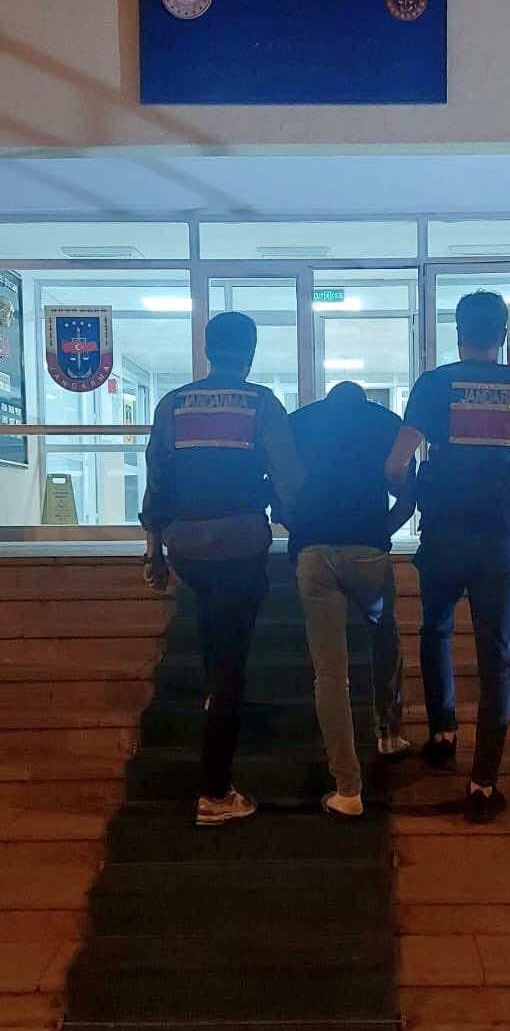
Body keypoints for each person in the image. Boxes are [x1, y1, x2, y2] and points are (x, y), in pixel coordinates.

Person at [385, 290, 510, 825]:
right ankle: (483, 783)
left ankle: (442, 735)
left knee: (435, 630)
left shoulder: (434, 384)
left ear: (459, 333)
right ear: (503, 334)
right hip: (503, 540)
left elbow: (395, 465)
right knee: (496, 658)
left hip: (444, 535)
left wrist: (414, 497)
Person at [141, 311, 303, 828]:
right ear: (250, 353)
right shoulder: (261, 403)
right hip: (240, 543)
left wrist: (154, 551)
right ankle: (214, 791)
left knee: (213, 639)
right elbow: (288, 477)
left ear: (208, 351)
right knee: (233, 657)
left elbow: (156, 478)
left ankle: (215, 697)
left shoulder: (173, 403)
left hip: (186, 547)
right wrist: (297, 525)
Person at [282, 381, 416, 820]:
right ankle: (389, 733)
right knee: (384, 633)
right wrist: (380, 531)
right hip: (368, 553)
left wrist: (300, 527)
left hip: (314, 554)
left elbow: (278, 491)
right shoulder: (389, 424)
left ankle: (347, 789)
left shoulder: (298, 423)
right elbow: (408, 497)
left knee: (330, 674)